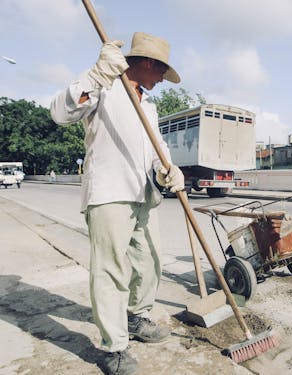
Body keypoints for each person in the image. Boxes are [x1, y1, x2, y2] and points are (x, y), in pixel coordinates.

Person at [50, 32, 184, 375]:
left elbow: (156, 150)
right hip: (109, 193)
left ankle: (136, 317)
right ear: (149, 64)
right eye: (161, 73)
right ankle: (115, 347)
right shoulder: (103, 87)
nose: (161, 81)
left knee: (150, 263)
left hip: (144, 197)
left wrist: (168, 170)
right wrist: (95, 75)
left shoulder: (149, 107)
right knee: (110, 271)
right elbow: (59, 113)